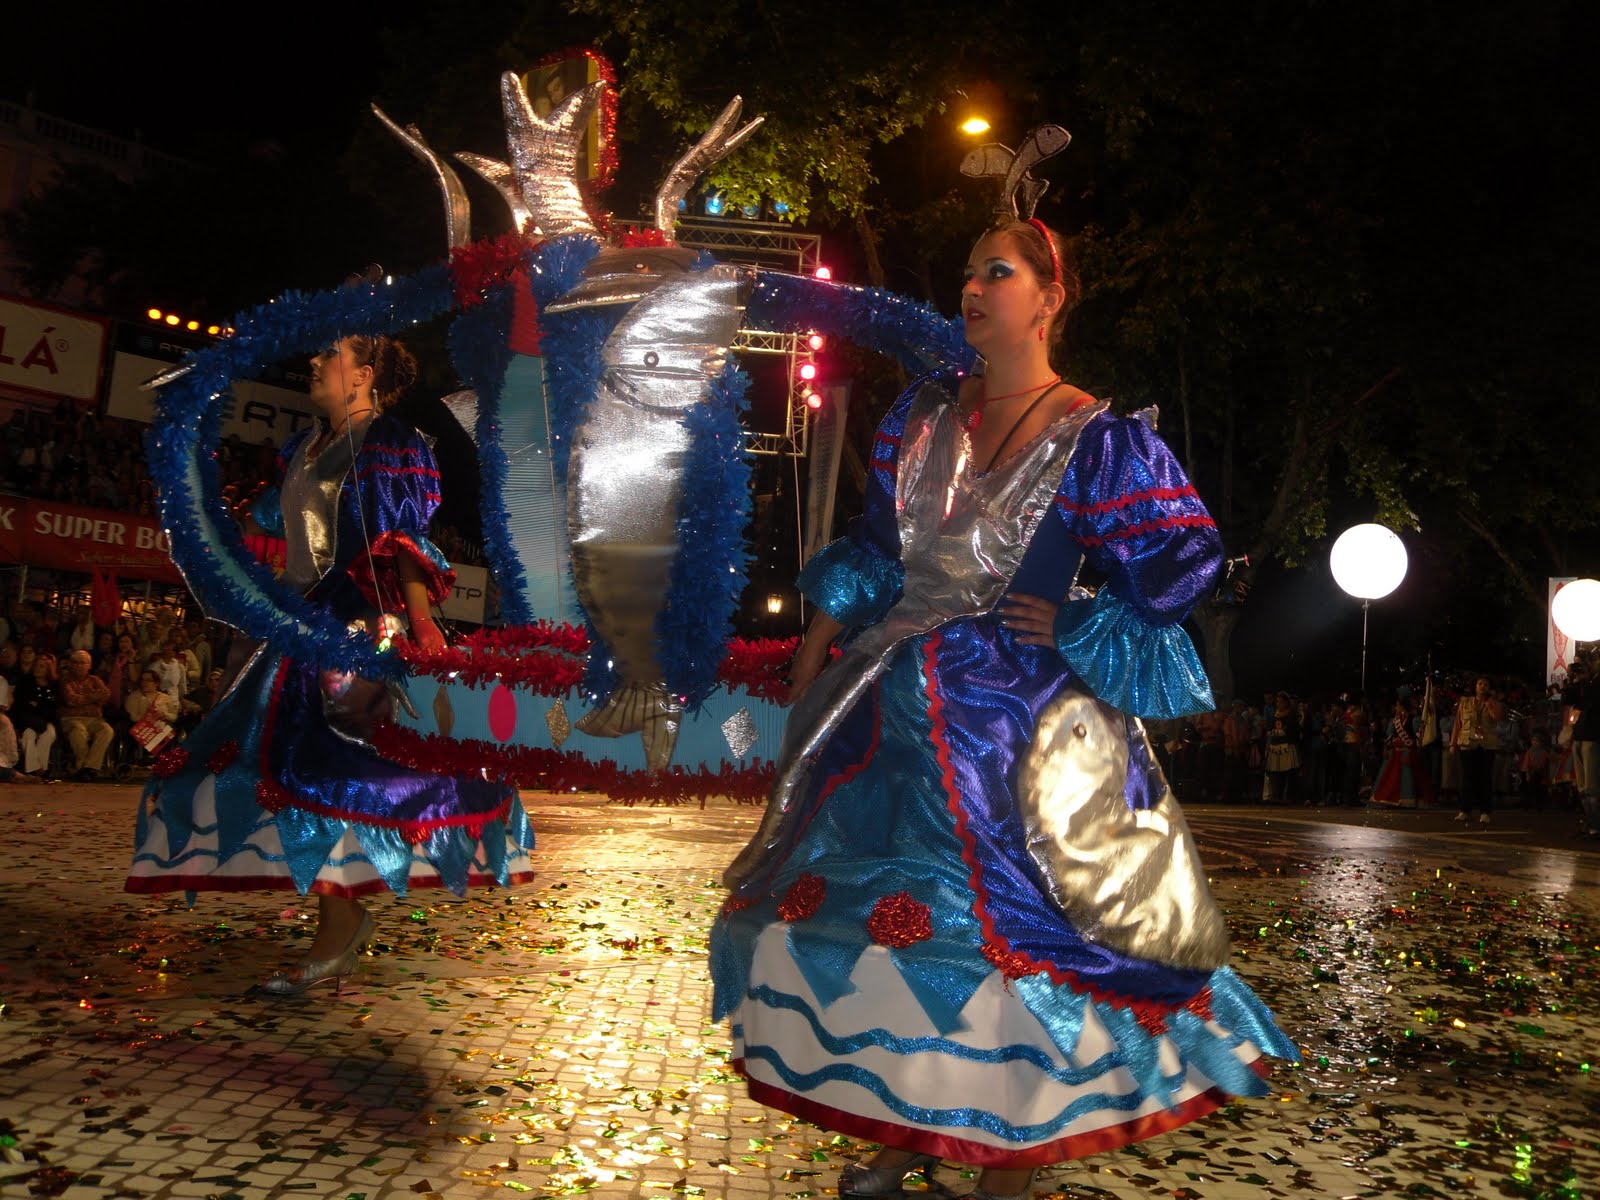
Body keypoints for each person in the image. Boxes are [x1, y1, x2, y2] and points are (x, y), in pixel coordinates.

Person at [712, 216, 1295, 1199]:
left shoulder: (1097, 438)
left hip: (1021, 731)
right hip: (892, 712)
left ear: (1048, 298)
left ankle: (1008, 1164)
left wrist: (1078, 622)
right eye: (967, 273)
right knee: (898, 932)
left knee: (1012, 938)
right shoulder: (921, 418)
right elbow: (876, 549)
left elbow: (1183, 559)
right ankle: (907, 1133)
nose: (973, 289)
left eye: (998, 272)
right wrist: (816, 645)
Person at [127, 334, 534, 995]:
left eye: (331, 356)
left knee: (333, 771)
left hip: (353, 626)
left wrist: (420, 623)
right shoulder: (306, 445)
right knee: (276, 769)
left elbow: (400, 540)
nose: (314, 363)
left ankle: (338, 929)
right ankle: (340, 921)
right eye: (316, 355)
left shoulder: (390, 440)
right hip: (294, 626)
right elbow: (268, 523)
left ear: (365, 374)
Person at [1450, 677, 1503, 825]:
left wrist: (1490, 705)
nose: (1483, 686)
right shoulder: (1465, 702)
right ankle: (1464, 810)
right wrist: (1453, 744)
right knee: (1467, 778)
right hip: (1468, 744)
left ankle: (1485, 812)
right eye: (1480, 684)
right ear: (1475, 686)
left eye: (1486, 684)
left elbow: (1497, 718)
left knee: (1485, 779)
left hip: (1486, 745)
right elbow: (1458, 723)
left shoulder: (1494, 703)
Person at [58, 649, 115, 780]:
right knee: (78, 731)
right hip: (71, 718)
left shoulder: (95, 680)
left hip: (94, 719)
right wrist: (94, 697)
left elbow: (106, 696)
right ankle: (86, 768)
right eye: (75, 662)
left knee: (107, 730)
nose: (79, 665)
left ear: (89, 665)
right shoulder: (64, 680)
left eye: (82, 663)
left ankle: (87, 768)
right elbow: (71, 700)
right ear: (70, 664)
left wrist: (83, 698)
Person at [1371, 697, 1433, 808]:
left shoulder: (1414, 719)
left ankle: (1408, 799)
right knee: (1392, 778)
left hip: (1408, 752)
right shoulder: (1395, 720)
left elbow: (1418, 736)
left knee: (1408, 777)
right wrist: (1388, 746)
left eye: (1397, 705)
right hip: (1396, 753)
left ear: (1403, 706)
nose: (1396, 708)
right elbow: (1389, 735)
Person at [11, 652, 60, 776]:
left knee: (49, 734)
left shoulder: (54, 685)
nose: (37, 669)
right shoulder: (25, 682)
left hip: (47, 721)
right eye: (36, 665)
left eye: (41, 666)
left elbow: (53, 708)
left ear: (48, 669)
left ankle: (38, 768)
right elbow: (21, 705)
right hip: (26, 721)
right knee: (28, 735)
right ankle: (36, 768)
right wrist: (39, 706)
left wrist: (37, 705)